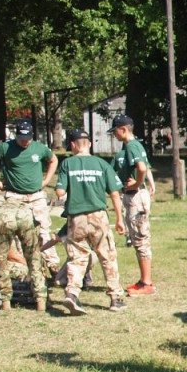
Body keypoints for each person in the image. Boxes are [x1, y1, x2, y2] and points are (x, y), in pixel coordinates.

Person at [54, 129, 127, 315]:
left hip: (76, 218)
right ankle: (116, 298)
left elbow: (60, 192)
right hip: (99, 217)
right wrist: (119, 219)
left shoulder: (67, 164)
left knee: (77, 257)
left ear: (72, 145)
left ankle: (72, 293)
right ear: (90, 144)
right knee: (107, 256)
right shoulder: (102, 164)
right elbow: (115, 194)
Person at [0, 119, 61, 274]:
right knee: (17, 232)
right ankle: (25, 265)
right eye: (22, 138)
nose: (25, 141)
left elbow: (53, 160)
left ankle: (52, 265)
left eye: (28, 138)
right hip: (14, 197)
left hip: (36, 196)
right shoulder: (5, 148)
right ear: (16, 136)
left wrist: (46, 180)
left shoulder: (39, 148)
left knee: (43, 230)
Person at [0, 199, 47, 311]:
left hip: (1, 218)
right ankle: (41, 302)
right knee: (34, 256)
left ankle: (5, 303)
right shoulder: (25, 208)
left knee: (0, 257)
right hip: (25, 215)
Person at [110, 115, 156, 296]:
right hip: (138, 194)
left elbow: (142, 168)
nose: (114, 135)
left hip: (135, 196)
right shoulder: (135, 145)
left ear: (123, 129)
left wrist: (137, 184)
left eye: (115, 131)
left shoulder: (131, 146)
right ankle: (144, 280)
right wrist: (149, 183)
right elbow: (145, 167)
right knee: (139, 239)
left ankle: (147, 284)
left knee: (140, 240)